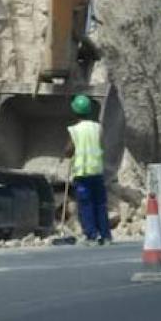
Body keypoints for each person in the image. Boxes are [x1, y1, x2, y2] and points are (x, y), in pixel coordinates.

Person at [67, 94, 111, 245]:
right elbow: (101, 145)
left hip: (82, 174)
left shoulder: (75, 130)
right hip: (97, 172)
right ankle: (106, 236)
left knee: (86, 206)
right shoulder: (98, 128)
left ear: (75, 112)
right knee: (100, 204)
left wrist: (67, 152)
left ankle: (91, 236)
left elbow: (69, 150)